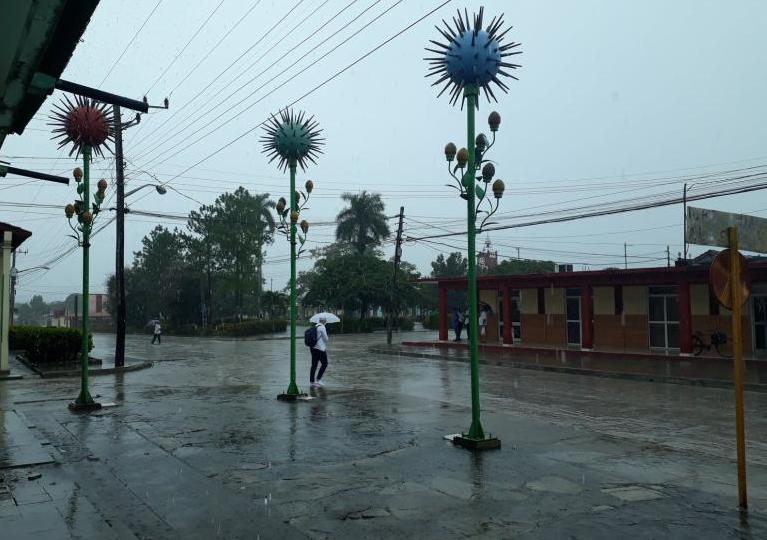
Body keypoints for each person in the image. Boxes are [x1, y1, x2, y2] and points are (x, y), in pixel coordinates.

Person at [310, 318, 329, 387]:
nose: (326, 322)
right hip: (320, 349)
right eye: (326, 321)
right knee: (325, 363)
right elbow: (326, 339)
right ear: (324, 321)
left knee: (314, 365)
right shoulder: (322, 327)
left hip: (313, 348)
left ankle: (312, 381)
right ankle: (318, 379)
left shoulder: (316, 326)